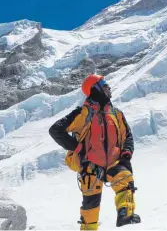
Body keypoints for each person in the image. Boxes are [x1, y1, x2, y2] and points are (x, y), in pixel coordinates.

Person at [49, 74, 140, 230]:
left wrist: (126, 155)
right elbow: (56, 130)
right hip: (91, 166)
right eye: (104, 83)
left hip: (114, 163)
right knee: (90, 206)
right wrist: (77, 148)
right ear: (95, 89)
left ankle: (125, 214)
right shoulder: (81, 114)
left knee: (125, 180)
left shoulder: (116, 114)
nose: (108, 86)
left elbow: (128, 136)